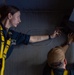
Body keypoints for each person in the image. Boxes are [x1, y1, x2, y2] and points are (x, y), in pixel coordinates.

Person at [0, 5, 61, 75]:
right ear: (10, 16)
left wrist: (51, 36)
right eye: (18, 17)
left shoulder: (12, 36)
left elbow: (32, 39)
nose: (20, 20)